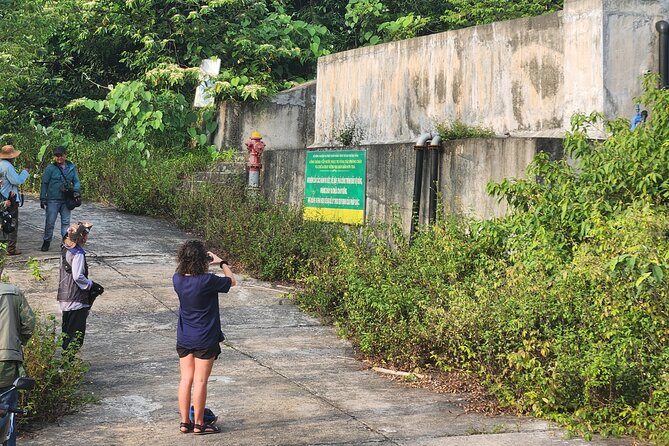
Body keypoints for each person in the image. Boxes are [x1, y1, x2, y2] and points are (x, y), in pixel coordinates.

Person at [173, 240, 236, 435]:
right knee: (200, 381)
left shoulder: (177, 278)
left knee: (186, 380)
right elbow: (231, 281)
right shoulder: (208, 281)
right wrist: (222, 262)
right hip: (205, 337)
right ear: (203, 260)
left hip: (185, 337)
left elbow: (189, 273)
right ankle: (199, 424)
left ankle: (185, 422)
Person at [57, 222, 104, 352]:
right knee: (75, 335)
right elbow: (77, 276)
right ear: (82, 237)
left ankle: (65, 364)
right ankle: (67, 365)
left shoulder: (65, 249)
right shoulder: (77, 253)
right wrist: (91, 285)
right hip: (76, 299)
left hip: (65, 296)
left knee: (67, 331)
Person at [0, 283, 35, 446]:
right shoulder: (13, 292)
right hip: (7, 362)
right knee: (7, 414)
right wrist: (16, 345)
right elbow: (29, 325)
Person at [39, 146, 81, 252]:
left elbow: (76, 181)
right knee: (50, 222)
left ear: (65, 155)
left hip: (66, 200)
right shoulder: (50, 168)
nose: (59, 158)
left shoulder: (71, 168)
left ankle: (65, 243)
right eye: (56, 156)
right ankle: (46, 241)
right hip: (53, 199)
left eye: (61, 155)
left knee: (66, 223)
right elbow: (44, 183)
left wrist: (75, 191)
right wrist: (43, 198)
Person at [0, 145, 29, 256]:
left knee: (3, 222)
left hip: (1, 198)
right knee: (12, 223)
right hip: (9, 199)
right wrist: (25, 172)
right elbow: (17, 181)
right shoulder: (8, 166)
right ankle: (11, 248)